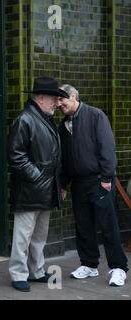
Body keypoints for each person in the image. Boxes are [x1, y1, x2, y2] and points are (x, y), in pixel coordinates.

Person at [58, 84, 128, 286]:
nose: (59, 103)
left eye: (62, 98)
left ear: (73, 95)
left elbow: (107, 147)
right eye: (57, 100)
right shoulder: (63, 125)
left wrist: (107, 177)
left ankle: (118, 268)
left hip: (99, 181)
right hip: (78, 183)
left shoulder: (95, 115)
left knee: (108, 226)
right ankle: (89, 265)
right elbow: (64, 159)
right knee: (83, 225)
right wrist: (63, 184)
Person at [7, 76, 69, 292]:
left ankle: (36, 270)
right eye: (54, 98)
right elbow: (16, 156)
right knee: (23, 236)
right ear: (41, 97)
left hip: (44, 188)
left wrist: (54, 183)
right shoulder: (25, 119)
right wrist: (38, 177)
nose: (56, 102)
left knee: (39, 235)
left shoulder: (44, 118)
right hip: (31, 189)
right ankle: (18, 274)